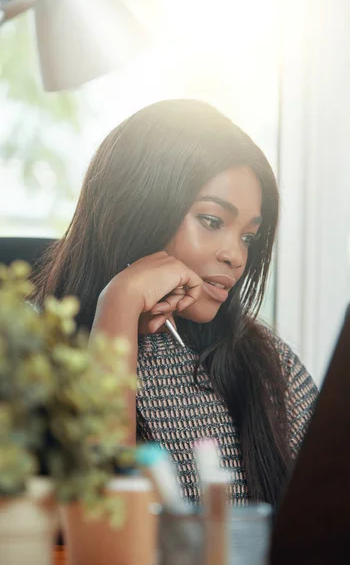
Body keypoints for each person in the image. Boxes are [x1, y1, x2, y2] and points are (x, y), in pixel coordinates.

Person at [32, 99, 317, 506]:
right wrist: (119, 306)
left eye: (248, 237)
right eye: (212, 221)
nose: (235, 256)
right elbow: (104, 521)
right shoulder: (29, 358)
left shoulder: (266, 361)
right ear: (139, 209)